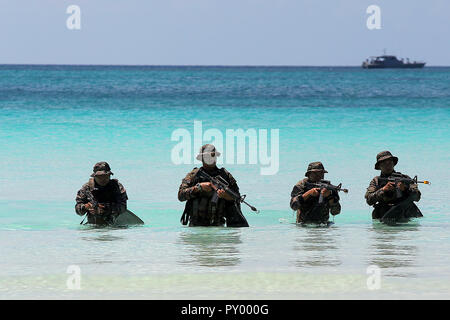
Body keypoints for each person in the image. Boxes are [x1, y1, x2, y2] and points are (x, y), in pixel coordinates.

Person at [178, 144, 249, 227]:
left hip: (218, 225)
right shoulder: (194, 175)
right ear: (202, 158)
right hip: (196, 226)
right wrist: (198, 187)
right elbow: (180, 195)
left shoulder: (225, 176)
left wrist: (226, 196)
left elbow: (237, 197)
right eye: (208, 156)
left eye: (213, 155)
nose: (211, 158)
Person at [365, 151, 422, 220]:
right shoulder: (376, 181)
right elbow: (369, 200)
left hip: (405, 215)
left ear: (393, 163)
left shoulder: (405, 178)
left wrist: (405, 189)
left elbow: (417, 197)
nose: (387, 165)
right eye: (384, 163)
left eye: (390, 162)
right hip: (384, 215)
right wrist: (383, 190)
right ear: (379, 166)